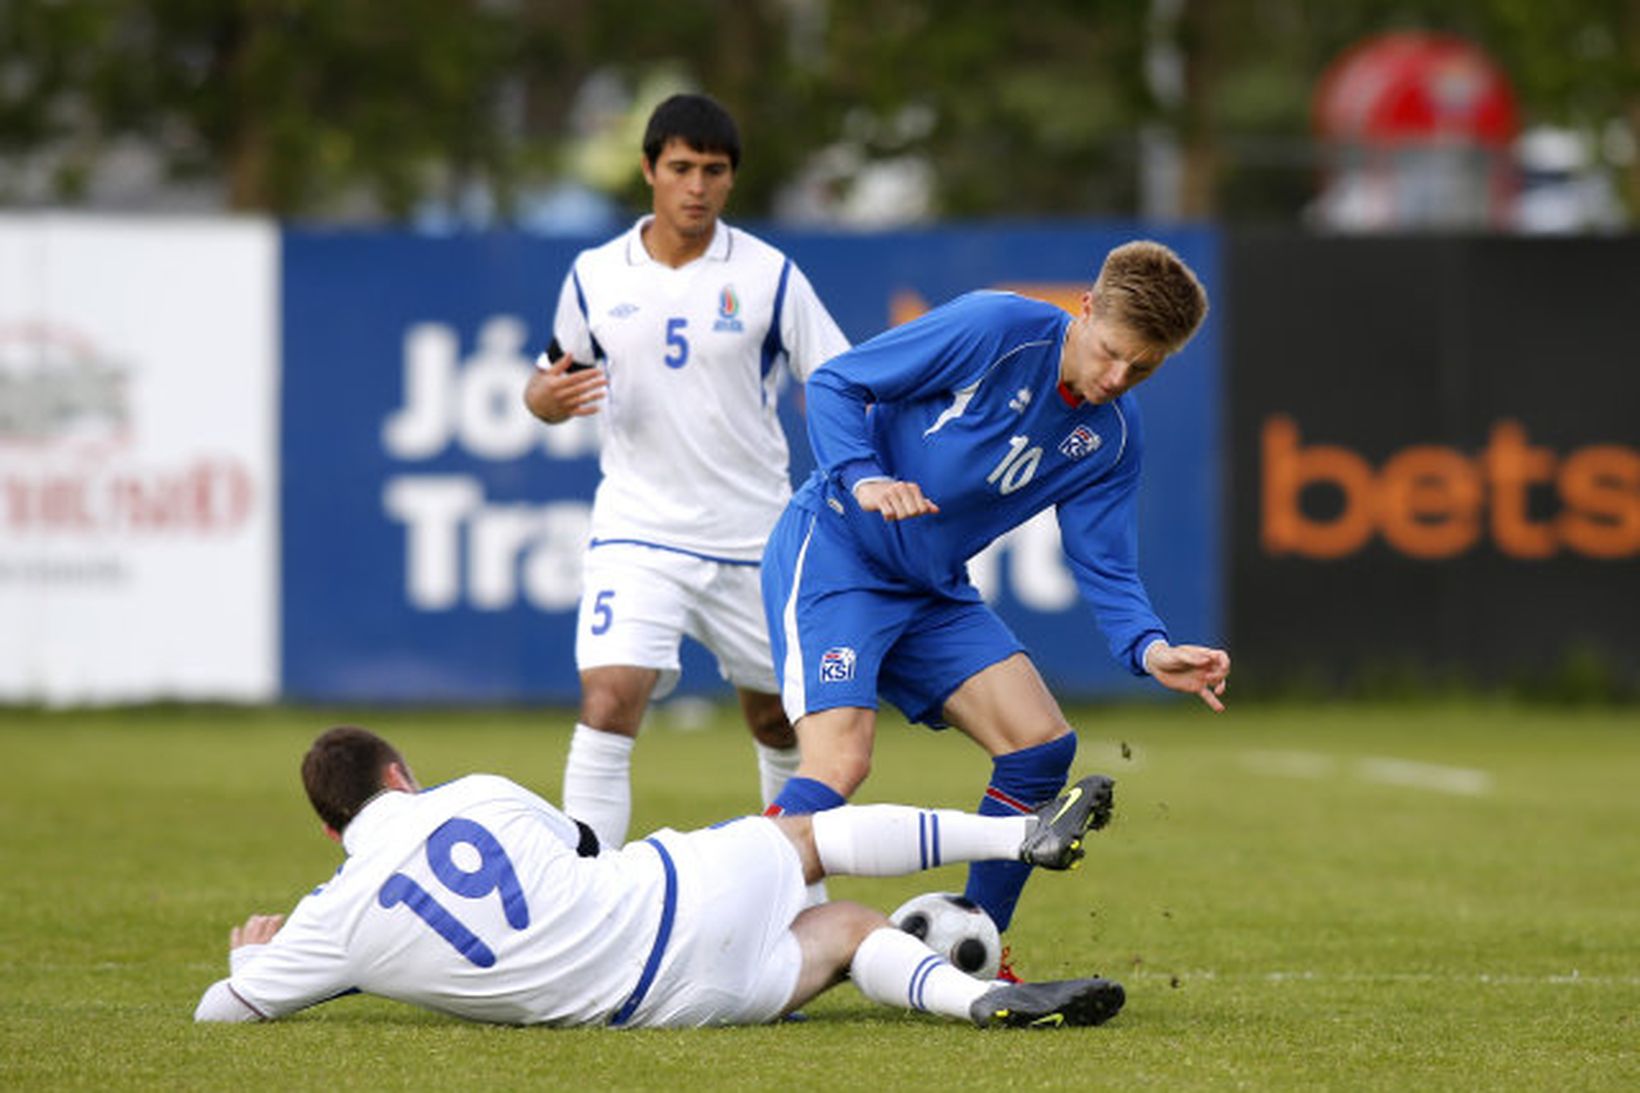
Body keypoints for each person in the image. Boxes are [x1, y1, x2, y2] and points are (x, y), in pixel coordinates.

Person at [760, 241, 1232, 977]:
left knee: (1041, 745)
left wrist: (1149, 646)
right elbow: (836, 383)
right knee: (841, 761)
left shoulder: (1111, 436)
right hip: (838, 552)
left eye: (1143, 368)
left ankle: (969, 952)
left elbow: (1103, 559)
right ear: (1085, 309)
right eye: (1111, 353)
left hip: (931, 587)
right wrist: (863, 478)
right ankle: (701, 915)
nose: (1117, 379)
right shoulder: (996, 330)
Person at [194, 725, 1126, 1030]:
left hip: (666, 1006)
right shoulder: (471, 792)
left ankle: (971, 1006)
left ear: (331, 830)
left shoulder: (337, 918)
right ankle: (1018, 839)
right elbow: (588, 847)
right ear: (401, 774)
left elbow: (221, 1012)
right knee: (808, 838)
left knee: (842, 930)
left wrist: (259, 955)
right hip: (670, 900)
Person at [523, 93, 849, 851]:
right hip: (638, 530)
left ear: (732, 179)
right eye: (680, 168)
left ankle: (799, 886)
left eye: (714, 170)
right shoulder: (595, 273)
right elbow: (547, 380)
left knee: (777, 719)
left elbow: (835, 379)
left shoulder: (770, 276)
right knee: (607, 701)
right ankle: (587, 894)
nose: (696, 186)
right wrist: (542, 396)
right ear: (649, 170)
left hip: (754, 535)